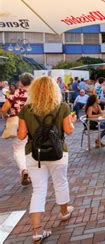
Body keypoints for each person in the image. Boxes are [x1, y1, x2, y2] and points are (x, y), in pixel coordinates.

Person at [17, 76, 75, 242]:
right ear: (54, 89)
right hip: (58, 152)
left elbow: (21, 136)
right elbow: (69, 131)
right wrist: (71, 122)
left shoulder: (26, 109)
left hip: (35, 154)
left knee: (39, 190)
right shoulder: (62, 107)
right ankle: (64, 213)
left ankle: (37, 231)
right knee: (60, 182)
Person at [1, 73, 34, 186]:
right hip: (32, 124)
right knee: (31, 149)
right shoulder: (35, 94)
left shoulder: (16, 93)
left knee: (18, 149)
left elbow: (4, 108)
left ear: (21, 82)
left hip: (17, 124)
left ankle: (24, 170)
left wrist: (5, 116)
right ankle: (31, 172)